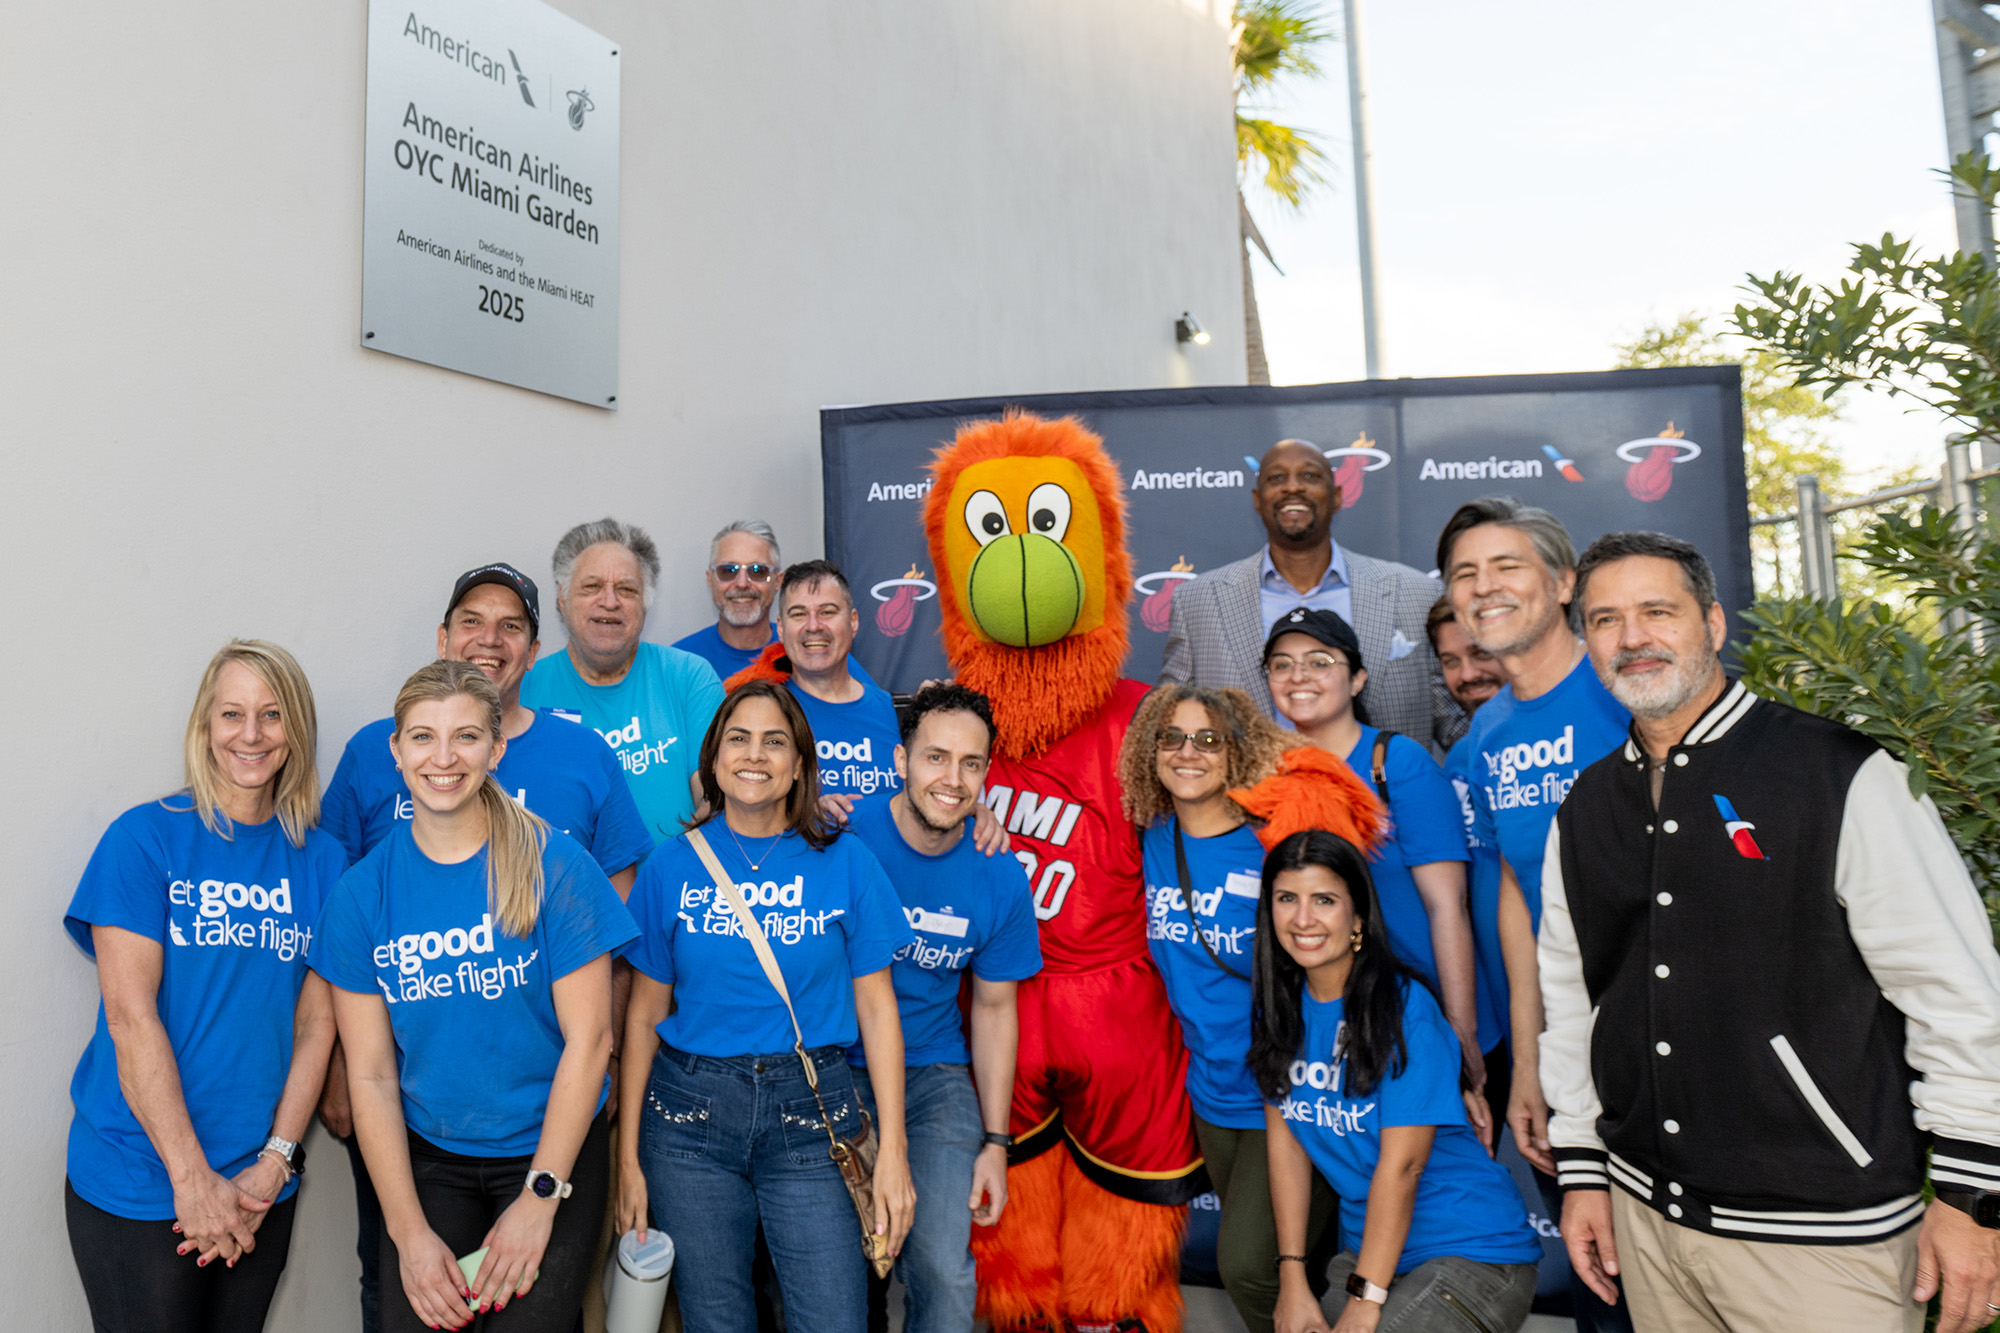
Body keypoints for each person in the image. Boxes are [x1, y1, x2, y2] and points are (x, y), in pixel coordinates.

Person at [1540, 532, 2000, 1333]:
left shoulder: (1837, 772)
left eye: (1658, 610)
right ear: (1586, 642)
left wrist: (1971, 1197)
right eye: (1606, 618)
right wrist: (1584, 1170)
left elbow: (1954, 994)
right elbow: (1576, 1001)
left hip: (1822, 1239)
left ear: (1714, 623)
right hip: (1648, 1225)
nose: (1633, 636)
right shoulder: (1583, 808)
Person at [316, 561, 652, 1333]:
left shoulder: (556, 865)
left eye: (466, 735)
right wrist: (406, 1233)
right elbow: (368, 1072)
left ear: (495, 750)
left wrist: (539, 1201)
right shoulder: (362, 893)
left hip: (549, 1148)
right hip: (428, 1154)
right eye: (424, 738)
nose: (445, 757)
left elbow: (590, 1037)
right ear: (394, 753)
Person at [616, 680, 917, 1333]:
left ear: (800, 764)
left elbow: (877, 1009)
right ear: (715, 760)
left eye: (775, 741)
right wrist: (628, 1161)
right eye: (739, 738)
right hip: (687, 1119)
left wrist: (892, 1149)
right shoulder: (671, 865)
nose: (755, 755)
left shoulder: (847, 860)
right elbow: (641, 1018)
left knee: (834, 1316)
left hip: (813, 1113)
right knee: (716, 1317)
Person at [63, 640, 343, 1332]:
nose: (251, 734)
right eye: (232, 713)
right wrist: (191, 1181)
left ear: (297, 730)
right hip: (140, 1176)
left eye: (272, 714)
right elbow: (131, 1020)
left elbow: (317, 1025)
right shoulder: (144, 839)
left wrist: (277, 1161)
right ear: (205, 726)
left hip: (257, 1186)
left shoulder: (326, 859)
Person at [1440, 497, 1632, 1332]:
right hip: (1565, 1047)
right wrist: (1527, 1066)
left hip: (1671, 1038)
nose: (1483, 588)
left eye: (1505, 566)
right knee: (1604, 1283)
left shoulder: (1631, 683)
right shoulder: (1487, 733)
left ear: (1563, 583)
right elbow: (1517, 898)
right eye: (1464, 574)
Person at [1114, 683, 1344, 1333]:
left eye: (1208, 739)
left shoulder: (1275, 840)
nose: (1188, 752)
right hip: (1211, 1093)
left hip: (1292, 1091)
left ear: (1237, 750)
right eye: (1172, 737)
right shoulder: (1153, 837)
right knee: (1273, 1267)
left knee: (1246, 1263)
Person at [1255, 830, 1541, 1333]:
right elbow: (1289, 1148)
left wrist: (1366, 1301)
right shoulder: (1280, 1009)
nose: (1303, 919)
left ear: (1358, 916)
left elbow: (1404, 1167)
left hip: (1470, 1250)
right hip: (1371, 1249)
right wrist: (1293, 1278)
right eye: (1286, 899)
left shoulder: (1404, 1009)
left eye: (1324, 900)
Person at [842, 683, 1042, 1333]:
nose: (952, 779)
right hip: (830, 1067)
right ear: (900, 760)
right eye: (935, 757)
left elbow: (993, 1008)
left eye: (971, 763)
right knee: (836, 1268)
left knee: (940, 1268)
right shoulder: (842, 835)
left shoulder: (1000, 874)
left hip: (932, 1073)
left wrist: (994, 1140)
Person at [1261, 608, 1487, 1098]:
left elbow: (1447, 905)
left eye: (1319, 661)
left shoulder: (1397, 762)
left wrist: (1461, 1031)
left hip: (1420, 1016)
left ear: (1357, 678)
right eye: (1281, 664)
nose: (1298, 676)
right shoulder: (1270, 779)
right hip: (1332, 1028)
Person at [1162, 438, 1458, 747]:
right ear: (1257, 499)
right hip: (1248, 795)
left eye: (1310, 476)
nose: (1292, 488)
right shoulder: (1198, 603)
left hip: (1381, 794)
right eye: (1276, 478)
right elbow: (1168, 721)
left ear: (1337, 496)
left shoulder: (1416, 595)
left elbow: (1455, 724)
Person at [523, 518, 727, 843]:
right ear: (562, 598)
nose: (610, 601)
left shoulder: (689, 678)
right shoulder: (524, 689)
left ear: (645, 603)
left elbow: (713, 796)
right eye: (592, 587)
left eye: (627, 589)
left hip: (676, 888)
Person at [1425, 594, 1511, 1136]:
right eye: (1450, 662)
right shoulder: (1457, 757)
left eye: (1479, 654)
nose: (1467, 675)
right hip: (1494, 1018)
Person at [766, 560, 902, 803]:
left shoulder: (898, 714)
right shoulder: (763, 714)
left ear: (853, 621)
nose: (814, 626)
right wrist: (805, 816)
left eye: (827, 612)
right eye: (798, 614)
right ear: (781, 629)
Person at [672, 520, 784, 682]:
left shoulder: (800, 656)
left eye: (757, 571)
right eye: (728, 571)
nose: (742, 584)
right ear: (710, 580)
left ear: (777, 581)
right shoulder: (680, 663)